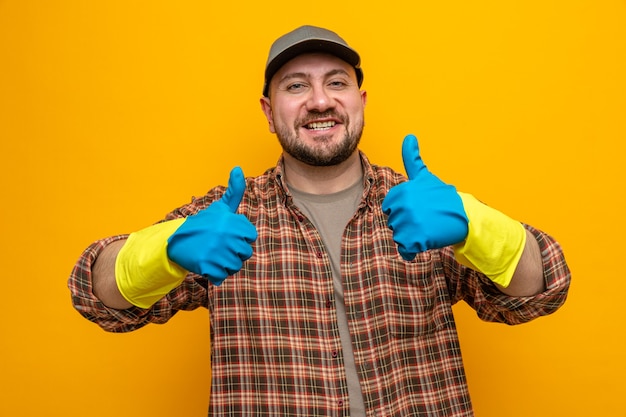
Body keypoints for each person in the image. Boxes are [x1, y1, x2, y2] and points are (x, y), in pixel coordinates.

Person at [68, 25, 571, 416]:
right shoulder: (225, 218)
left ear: (360, 101)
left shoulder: (421, 207)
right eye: (295, 86)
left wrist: (473, 225)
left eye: (337, 82)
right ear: (269, 111)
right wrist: (165, 250)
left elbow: (543, 287)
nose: (320, 100)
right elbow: (96, 295)